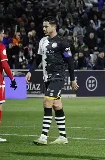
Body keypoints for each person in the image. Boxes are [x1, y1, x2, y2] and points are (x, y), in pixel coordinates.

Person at [25, 16, 79, 145]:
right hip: (47, 77)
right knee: (57, 105)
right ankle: (63, 137)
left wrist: (72, 80)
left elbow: (70, 62)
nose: (44, 28)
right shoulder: (43, 41)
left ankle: (43, 137)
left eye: (46, 26)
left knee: (47, 101)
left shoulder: (62, 43)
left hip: (58, 77)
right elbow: (38, 59)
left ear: (54, 26)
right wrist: (30, 71)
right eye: (43, 26)